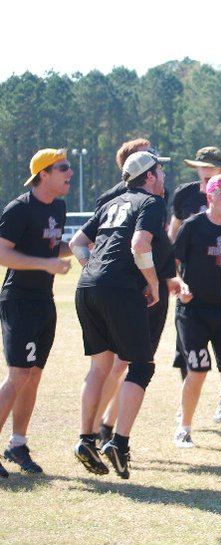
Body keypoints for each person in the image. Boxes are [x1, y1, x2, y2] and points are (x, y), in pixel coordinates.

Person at [71, 151, 169, 479]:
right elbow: (140, 245)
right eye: (160, 171)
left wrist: (95, 270)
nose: (163, 176)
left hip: (87, 287)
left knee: (99, 366)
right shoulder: (151, 202)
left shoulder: (111, 202)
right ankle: (119, 443)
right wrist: (153, 283)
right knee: (141, 366)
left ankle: (86, 439)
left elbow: (76, 244)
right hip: (120, 289)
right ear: (150, 176)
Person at [0, 149, 73, 477]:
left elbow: (53, 247)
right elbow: (2, 253)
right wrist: (46, 264)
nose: (70, 173)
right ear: (44, 174)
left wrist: (83, 245)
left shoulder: (58, 206)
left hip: (44, 300)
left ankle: (17, 444)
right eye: (63, 168)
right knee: (18, 375)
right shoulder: (19, 208)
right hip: (19, 301)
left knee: (33, 375)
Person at [168, 146, 221, 424]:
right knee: (189, 357)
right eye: (201, 166)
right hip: (191, 292)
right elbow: (174, 231)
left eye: (211, 167)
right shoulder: (184, 195)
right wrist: (175, 277)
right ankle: (186, 408)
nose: (205, 171)